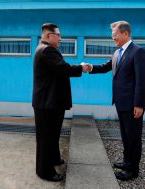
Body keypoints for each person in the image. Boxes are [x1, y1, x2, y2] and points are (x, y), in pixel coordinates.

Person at [85, 21, 145, 181]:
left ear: (125, 33)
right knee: (125, 135)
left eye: (115, 35)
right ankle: (127, 162)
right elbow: (106, 66)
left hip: (133, 104)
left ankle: (132, 170)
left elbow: (142, 80)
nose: (113, 38)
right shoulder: (117, 53)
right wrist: (89, 67)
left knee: (133, 137)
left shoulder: (138, 52)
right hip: (120, 102)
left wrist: (139, 104)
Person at [32, 23, 90, 182]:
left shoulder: (44, 49)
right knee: (46, 138)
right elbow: (63, 68)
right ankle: (45, 171)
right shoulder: (47, 50)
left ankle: (54, 159)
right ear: (49, 35)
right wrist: (81, 67)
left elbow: (57, 70)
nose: (60, 38)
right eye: (58, 35)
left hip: (50, 102)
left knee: (52, 135)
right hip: (47, 104)